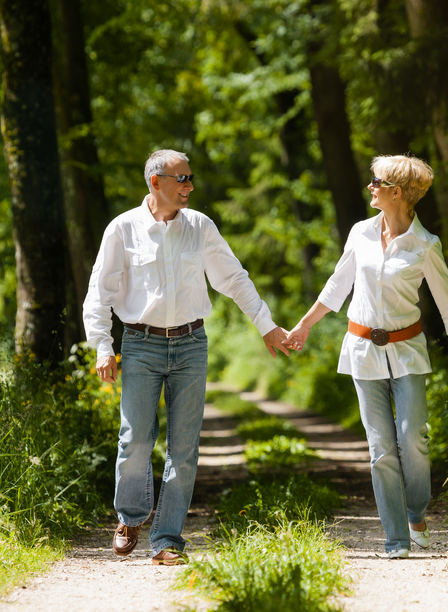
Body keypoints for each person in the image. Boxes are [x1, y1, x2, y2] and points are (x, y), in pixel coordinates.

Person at [83, 149, 290, 565]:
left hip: (192, 344)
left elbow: (233, 278)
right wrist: (103, 345)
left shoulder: (200, 227)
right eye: (182, 178)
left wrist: (266, 324)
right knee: (135, 439)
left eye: (191, 178)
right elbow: (99, 292)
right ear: (155, 182)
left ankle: (167, 539)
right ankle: (131, 516)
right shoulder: (122, 230)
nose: (190, 186)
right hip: (140, 345)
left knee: (185, 446)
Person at [284, 154, 448, 559]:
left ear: (397, 193)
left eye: (377, 182)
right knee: (380, 447)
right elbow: (337, 286)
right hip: (361, 351)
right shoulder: (359, 233)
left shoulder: (426, 245)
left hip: (408, 351)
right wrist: (304, 325)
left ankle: (416, 511)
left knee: (413, 438)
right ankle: (395, 539)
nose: (370, 187)